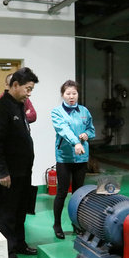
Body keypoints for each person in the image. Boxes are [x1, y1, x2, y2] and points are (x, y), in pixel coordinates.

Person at [0, 67, 39, 258]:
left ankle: (19, 244)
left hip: (24, 171)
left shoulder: (19, 106)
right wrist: (2, 171)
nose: (29, 93)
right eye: (28, 89)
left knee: (20, 210)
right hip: (9, 173)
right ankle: (7, 252)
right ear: (15, 85)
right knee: (7, 213)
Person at [50, 80, 94, 239]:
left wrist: (86, 134)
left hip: (81, 157)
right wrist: (76, 142)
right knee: (62, 192)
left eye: (74, 93)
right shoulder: (57, 112)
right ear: (62, 95)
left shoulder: (84, 111)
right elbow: (64, 130)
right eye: (68, 93)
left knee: (78, 193)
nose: (71, 96)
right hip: (64, 157)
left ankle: (76, 224)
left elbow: (91, 130)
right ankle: (57, 224)